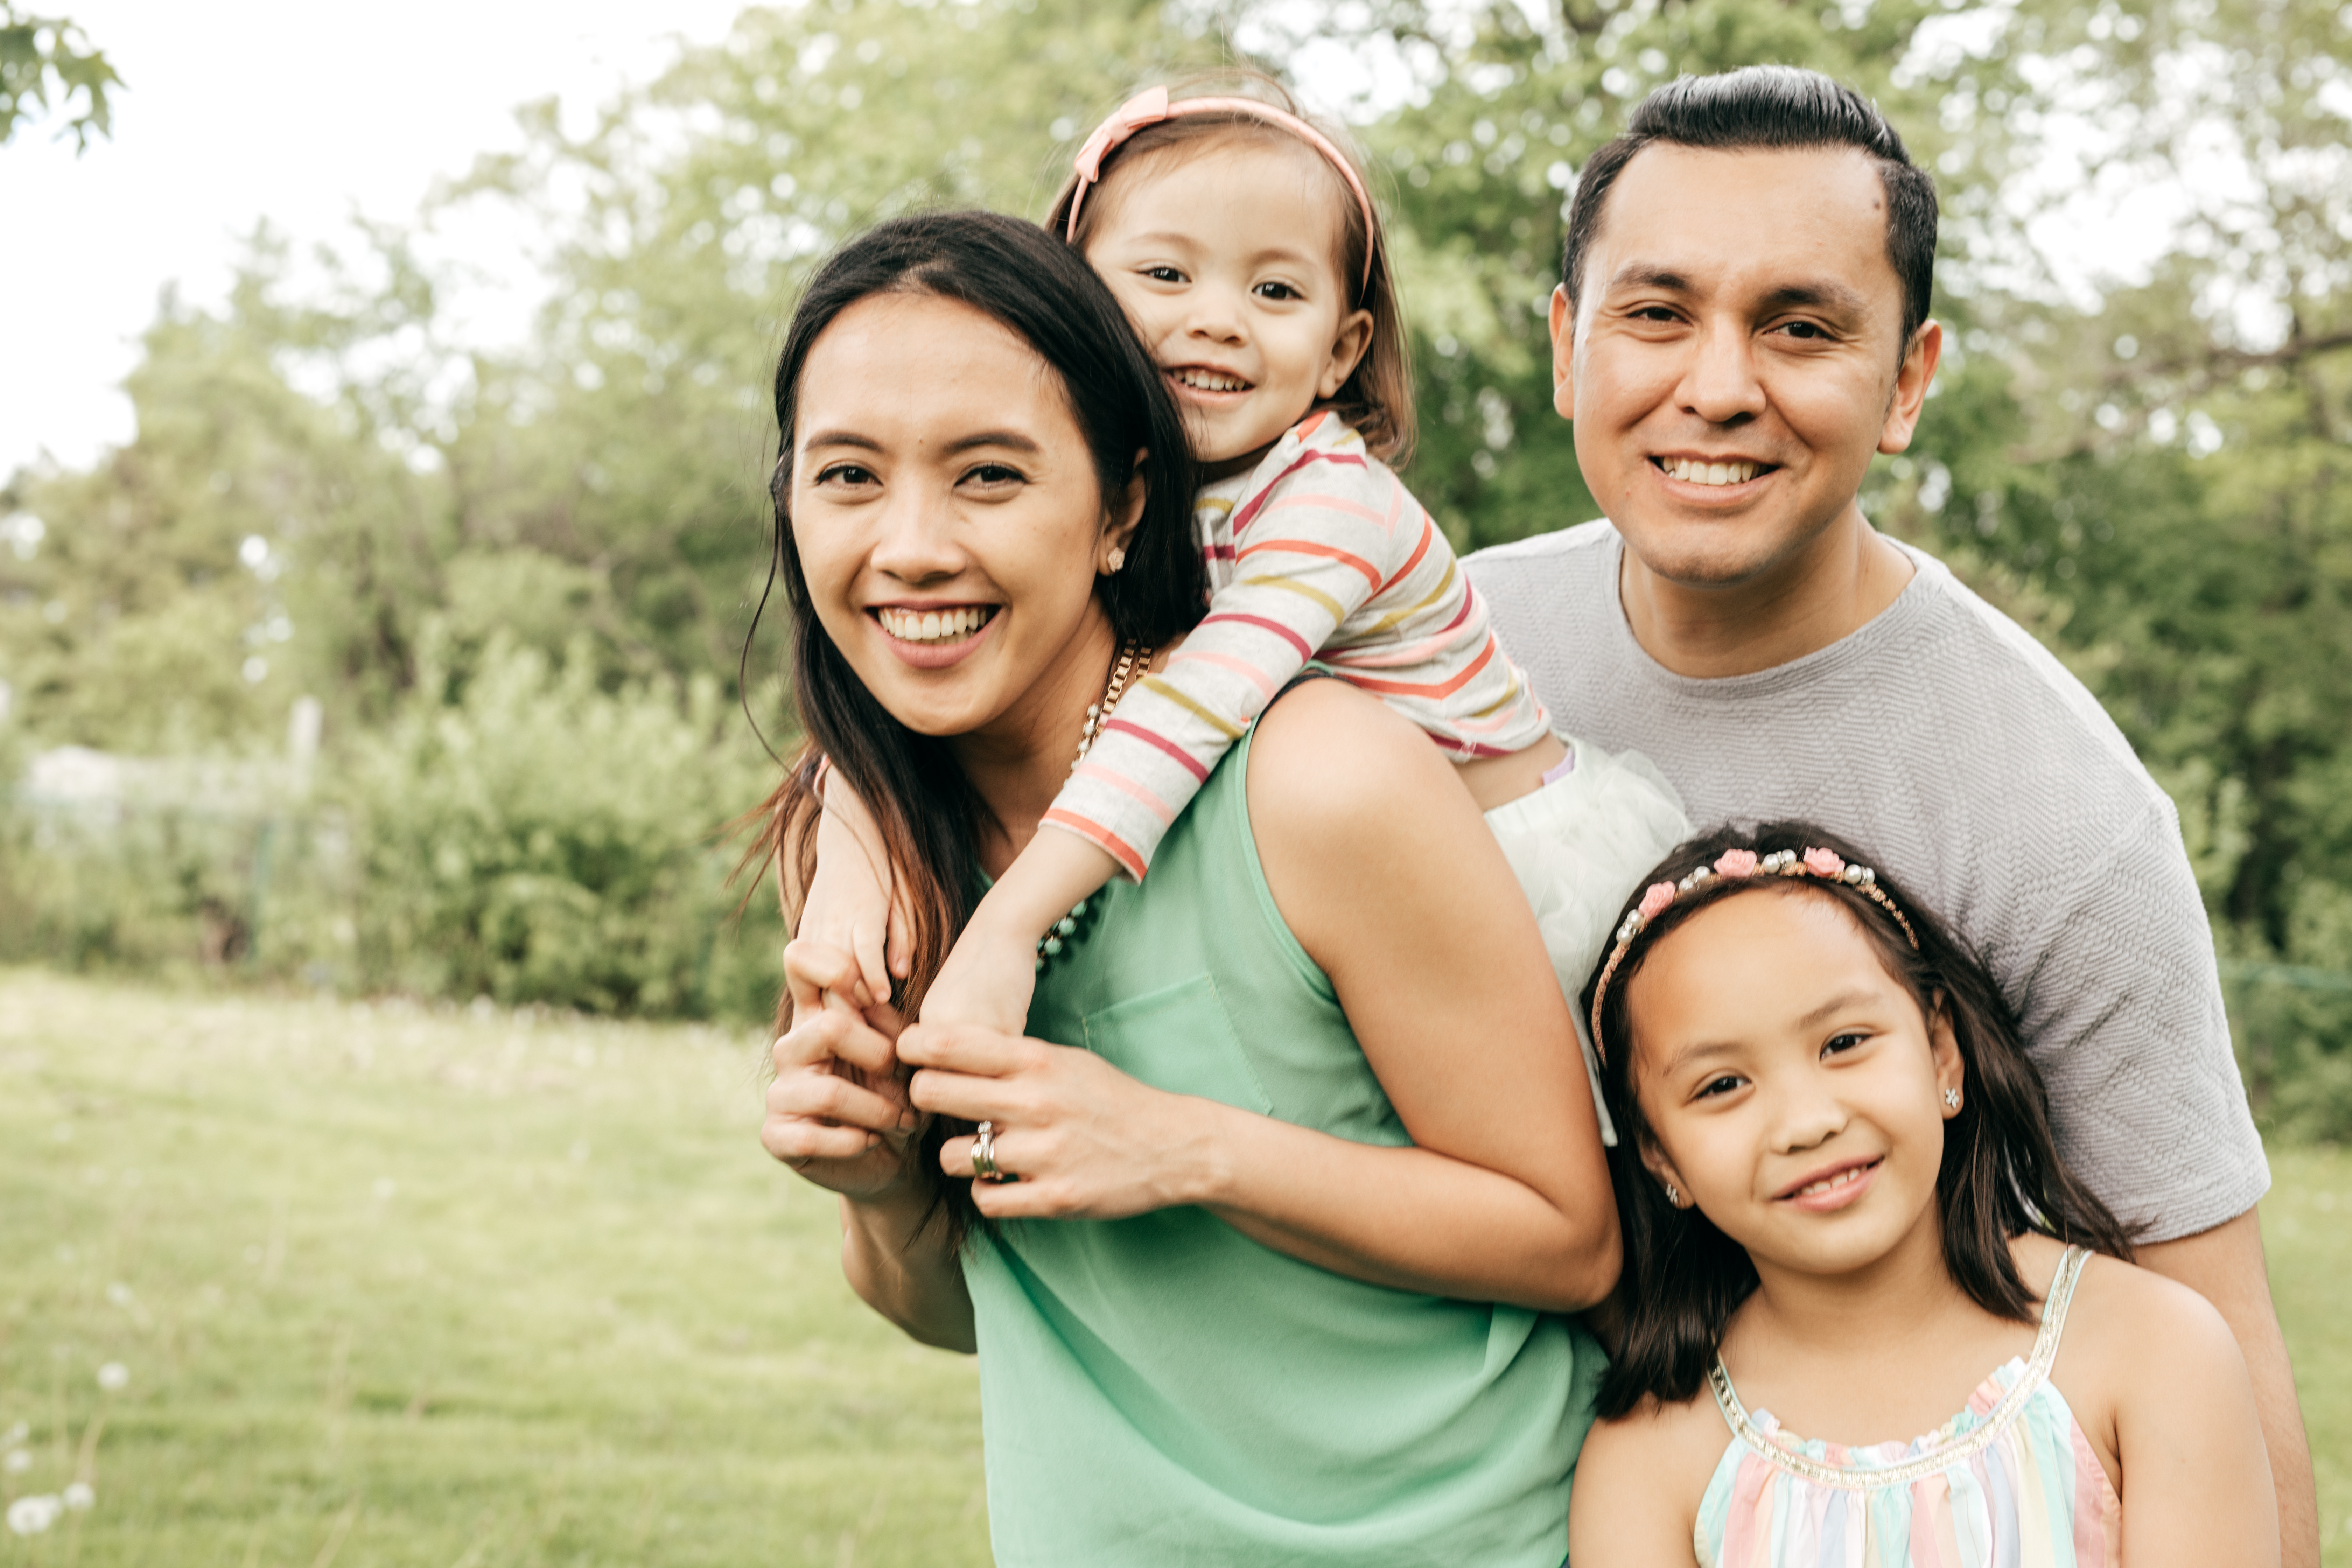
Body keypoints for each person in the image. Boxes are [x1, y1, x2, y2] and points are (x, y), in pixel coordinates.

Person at [1464, 65, 2318, 1558]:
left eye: (1802, 326)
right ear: (1565, 343)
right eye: (1657, 315)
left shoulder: (2061, 818)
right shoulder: (1439, 666)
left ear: (1909, 380)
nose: (1718, 384)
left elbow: (2217, 1349)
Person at [754, 208, 1621, 1565]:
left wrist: (1185, 1147)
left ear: (1123, 508)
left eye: (989, 477)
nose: (910, 545)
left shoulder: (1318, 781)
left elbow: (1570, 1240)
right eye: (849, 478)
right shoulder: (863, 852)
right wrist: (875, 1185)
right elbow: (963, 1306)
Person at [803, 79, 1687, 1117]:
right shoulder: (1129, 488)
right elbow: (914, 683)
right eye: (1166, 274)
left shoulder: (1332, 504)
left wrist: (1008, 927)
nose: (1217, 322)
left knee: (1637, 1179)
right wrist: (849, 856)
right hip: (1334, 862)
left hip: (1518, 865)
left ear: (1343, 348)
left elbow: (1191, 709)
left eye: (1275, 294)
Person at [1567, 823, 2277, 1567]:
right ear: (1659, 1156)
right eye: (1722, 1085)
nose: (1808, 1122)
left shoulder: (2154, 1349)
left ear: (1942, 1050)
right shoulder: (1650, 1462)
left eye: (1844, 1042)